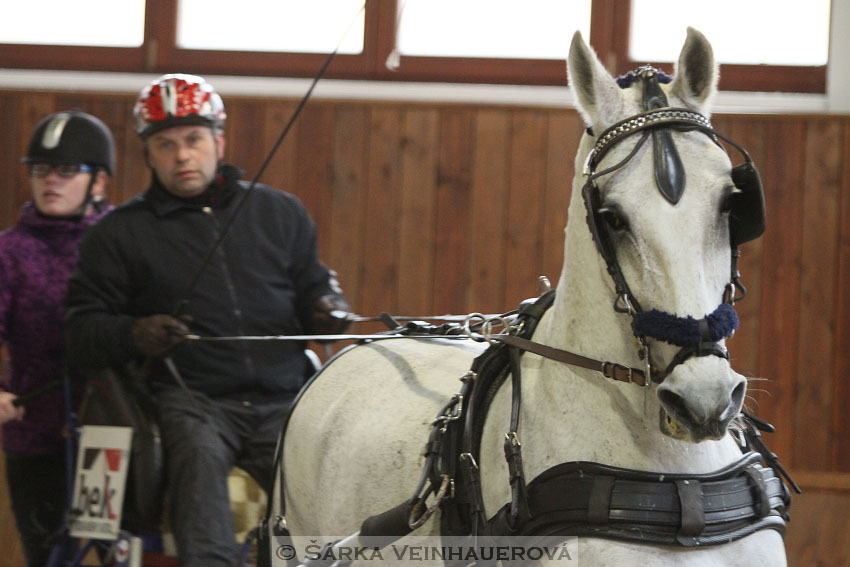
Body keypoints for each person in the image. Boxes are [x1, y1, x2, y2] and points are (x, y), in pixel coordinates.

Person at [64, 73, 350, 567]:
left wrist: (327, 306)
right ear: (147, 153)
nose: (182, 156)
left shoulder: (280, 212)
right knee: (196, 459)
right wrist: (135, 333)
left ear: (218, 140)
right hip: (193, 402)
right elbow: (79, 331)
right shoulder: (117, 235)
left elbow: (316, 289)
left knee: (332, 480)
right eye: (165, 144)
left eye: (193, 140)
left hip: (285, 398)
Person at [0, 110, 114, 567]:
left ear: (99, 182)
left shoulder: (121, 243)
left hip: (109, 433)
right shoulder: (9, 251)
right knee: (48, 556)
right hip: (36, 437)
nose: (51, 180)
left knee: (117, 552)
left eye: (67, 171)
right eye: (41, 170)